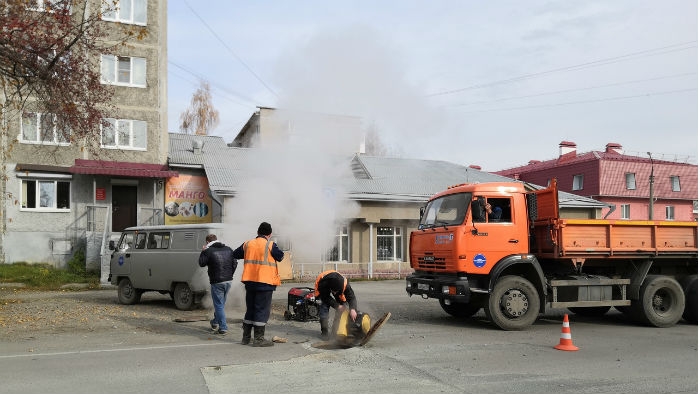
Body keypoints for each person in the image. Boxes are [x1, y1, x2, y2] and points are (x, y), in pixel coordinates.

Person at [232, 222, 284, 347]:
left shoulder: (248, 244)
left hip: (250, 282)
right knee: (262, 310)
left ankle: (246, 338)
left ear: (258, 233)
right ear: (270, 234)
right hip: (264, 283)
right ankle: (259, 339)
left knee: (250, 309)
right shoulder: (270, 244)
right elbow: (280, 256)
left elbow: (235, 254)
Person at [198, 234, 237, 335]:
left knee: (219, 305)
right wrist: (230, 274)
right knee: (220, 304)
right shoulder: (228, 249)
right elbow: (235, 263)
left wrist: (203, 251)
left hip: (217, 282)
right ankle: (215, 322)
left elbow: (201, 263)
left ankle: (223, 327)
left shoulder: (208, 251)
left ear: (207, 242)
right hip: (228, 281)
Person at [314, 270, 358, 340]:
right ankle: (324, 332)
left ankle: (335, 332)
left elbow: (351, 297)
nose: (334, 294)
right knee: (324, 308)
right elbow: (325, 297)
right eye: (333, 291)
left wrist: (352, 309)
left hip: (338, 287)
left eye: (336, 292)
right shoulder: (322, 284)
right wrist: (337, 306)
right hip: (323, 288)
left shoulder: (345, 285)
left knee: (343, 305)